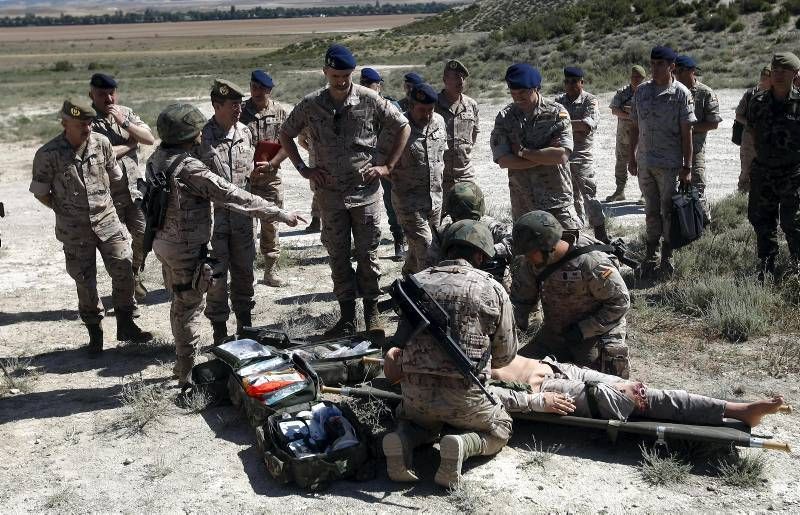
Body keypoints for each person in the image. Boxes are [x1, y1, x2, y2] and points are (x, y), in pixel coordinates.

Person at [148, 103, 302, 386]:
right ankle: (187, 373)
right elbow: (232, 195)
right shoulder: (189, 168)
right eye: (195, 130)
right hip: (185, 247)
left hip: (163, 243)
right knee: (190, 308)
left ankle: (182, 364)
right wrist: (279, 213)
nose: (200, 134)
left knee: (179, 302)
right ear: (187, 134)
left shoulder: (157, 157)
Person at [279, 45, 411, 336]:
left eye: (345, 75)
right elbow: (285, 133)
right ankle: (347, 316)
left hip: (364, 194)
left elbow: (403, 126)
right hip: (330, 196)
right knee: (337, 255)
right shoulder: (311, 103)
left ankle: (372, 314)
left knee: (368, 255)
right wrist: (303, 169)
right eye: (335, 75)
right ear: (325, 72)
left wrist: (387, 166)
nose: (340, 81)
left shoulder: (369, 99)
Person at [381, 219, 515, 488]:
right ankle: (464, 445)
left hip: (417, 398)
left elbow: (399, 342)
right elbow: (504, 356)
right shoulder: (493, 288)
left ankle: (404, 439)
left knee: (422, 423)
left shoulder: (415, 284)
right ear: (479, 254)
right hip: (468, 399)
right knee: (501, 427)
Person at [30, 99, 152, 355]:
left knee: (124, 268)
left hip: (107, 221)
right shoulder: (47, 154)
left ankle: (126, 323)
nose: (86, 129)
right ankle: (95, 333)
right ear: (65, 124)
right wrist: (63, 208)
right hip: (74, 230)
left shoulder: (102, 143)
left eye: (88, 123)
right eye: (80, 125)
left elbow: (115, 177)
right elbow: (41, 193)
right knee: (85, 282)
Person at [510, 211, 631, 378]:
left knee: (593, 384)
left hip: (594, 334)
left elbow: (619, 303)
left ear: (548, 247)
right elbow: (521, 300)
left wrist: (583, 330)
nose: (527, 258)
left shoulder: (592, 262)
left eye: (530, 253)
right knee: (513, 369)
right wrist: (507, 327)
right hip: (555, 332)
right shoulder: (532, 261)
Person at [197, 79, 260, 343]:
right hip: (214, 222)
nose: (239, 109)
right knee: (216, 278)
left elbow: (249, 174)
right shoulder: (201, 138)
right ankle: (220, 334)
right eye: (233, 104)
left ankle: (245, 328)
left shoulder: (245, 132)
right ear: (216, 105)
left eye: (240, 104)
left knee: (246, 272)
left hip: (244, 220)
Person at [629, 46, 696, 278]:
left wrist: (687, 167)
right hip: (646, 162)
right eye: (652, 64)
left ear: (671, 67)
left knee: (668, 211)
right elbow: (635, 127)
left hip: (670, 164)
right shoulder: (641, 92)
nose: (655, 68)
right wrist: (632, 156)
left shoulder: (681, 94)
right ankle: (651, 255)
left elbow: (687, 133)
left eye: (660, 64)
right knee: (650, 210)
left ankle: (667, 257)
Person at [88, 73, 156, 302]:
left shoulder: (125, 112)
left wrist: (125, 124)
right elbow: (98, 154)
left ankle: (134, 274)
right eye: (102, 94)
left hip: (134, 190)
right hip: (107, 194)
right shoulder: (88, 121)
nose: (108, 98)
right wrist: (129, 144)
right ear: (92, 95)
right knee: (116, 246)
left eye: (111, 93)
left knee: (144, 235)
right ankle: (125, 286)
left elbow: (148, 138)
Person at [490, 63, 579, 230]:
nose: (518, 98)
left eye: (523, 92)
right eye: (513, 93)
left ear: (536, 88)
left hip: (557, 200)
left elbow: (560, 156)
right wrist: (543, 157)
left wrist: (522, 152)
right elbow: (503, 160)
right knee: (528, 254)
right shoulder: (504, 117)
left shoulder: (556, 113)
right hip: (523, 202)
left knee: (571, 250)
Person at [746, 52, 800, 282]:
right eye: (774, 70)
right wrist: (746, 168)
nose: (777, 75)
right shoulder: (757, 102)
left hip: (793, 172)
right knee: (761, 219)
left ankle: (797, 265)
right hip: (763, 170)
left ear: (794, 74)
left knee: (793, 221)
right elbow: (749, 136)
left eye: (783, 71)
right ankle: (767, 265)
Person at [240, 69, 291, 287]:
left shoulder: (279, 112)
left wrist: (272, 163)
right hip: (245, 180)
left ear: (269, 90)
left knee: (271, 225)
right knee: (246, 229)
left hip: (270, 178)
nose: (257, 91)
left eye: (261, 88)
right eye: (254, 86)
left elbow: (287, 144)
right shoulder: (240, 111)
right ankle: (246, 274)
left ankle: (270, 271)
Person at [390, 83, 447, 275]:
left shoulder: (439, 122)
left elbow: (440, 158)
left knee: (420, 250)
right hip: (409, 203)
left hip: (435, 201)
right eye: (422, 110)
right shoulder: (397, 127)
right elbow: (381, 163)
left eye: (431, 109)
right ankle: (426, 298)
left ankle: (406, 283)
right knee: (428, 249)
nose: (428, 115)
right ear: (411, 106)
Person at [429, 181, 513, 292]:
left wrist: (489, 251)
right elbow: (432, 264)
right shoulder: (443, 232)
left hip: (492, 281)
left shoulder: (490, 226)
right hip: (455, 284)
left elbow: (514, 241)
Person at [554, 67, 607, 242]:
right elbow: (550, 125)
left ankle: (601, 234)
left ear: (581, 82)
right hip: (562, 157)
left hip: (582, 157)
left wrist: (563, 123)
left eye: (574, 81)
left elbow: (586, 125)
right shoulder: (558, 101)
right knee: (569, 198)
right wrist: (569, 124)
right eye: (567, 81)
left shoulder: (590, 101)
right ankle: (577, 235)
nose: (570, 85)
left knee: (590, 197)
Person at [360, 67, 406, 260]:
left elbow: (402, 131)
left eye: (370, 85)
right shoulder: (354, 105)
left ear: (378, 86)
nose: (367, 89)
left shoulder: (391, 106)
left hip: (386, 163)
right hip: (362, 163)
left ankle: (399, 239)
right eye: (364, 85)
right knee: (361, 205)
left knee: (392, 202)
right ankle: (364, 244)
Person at [675, 55, 722, 223]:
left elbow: (713, 123)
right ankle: (681, 227)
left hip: (695, 150)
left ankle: (703, 224)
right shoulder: (672, 92)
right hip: (672, 149)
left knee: (697, 189)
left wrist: (688, 128)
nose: (677, 75)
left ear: (692, 71)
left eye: (680, 71)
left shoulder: (705, 93)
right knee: (673, 193)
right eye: (674, 71)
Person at [436, 59, 479, 209]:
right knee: (437, 222)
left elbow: (474, 135)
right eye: (455, 77)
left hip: (465, 176)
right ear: (444, 80)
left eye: (462, 77)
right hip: (439, 177)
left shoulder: (471, 105)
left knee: (466, 219)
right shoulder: (433, 105)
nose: (460, 81)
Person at [607, 65, 646, 202]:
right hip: (624, 134)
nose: (636, 80)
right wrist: (631, 116)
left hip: (643, 135)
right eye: (633, 77)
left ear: (643, 78)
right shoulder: (623, 92)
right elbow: (614, 109)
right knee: (621, 162)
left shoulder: (647, 92)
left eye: (638, 78)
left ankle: (645, 194)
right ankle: (620, 191)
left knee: (643, 163)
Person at [735, 65, 772, 193]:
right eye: (763, 77)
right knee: (746, 172)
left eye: (767, 77)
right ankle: (742, 201)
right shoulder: (750, 94)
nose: (763, 80)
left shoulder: (778, 95)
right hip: (750, 141)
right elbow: (738, 115)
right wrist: (750, 124)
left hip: (770, 141)